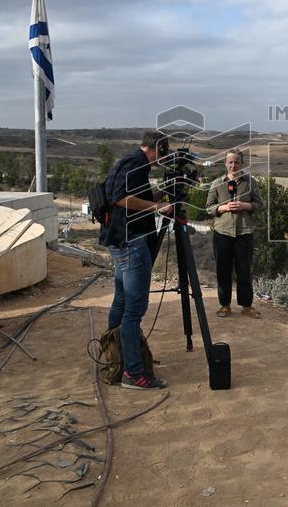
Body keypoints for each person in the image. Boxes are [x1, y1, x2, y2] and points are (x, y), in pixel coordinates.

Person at [99, 130, 172, 390]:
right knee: (134, 310)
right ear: (158, 148)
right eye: (165, 151)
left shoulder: (131, 162)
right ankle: (134, 373)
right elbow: (119, 198)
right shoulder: (136, 163)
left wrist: (162, 193)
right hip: (131, 243)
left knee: (121, 302)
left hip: (121, 241)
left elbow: (133, 200)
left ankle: (115, 360)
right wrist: (156, 208)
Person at [206, 149, 265, 318]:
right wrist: (224, 207)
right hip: (222, 233)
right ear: (225, 164)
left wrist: (246, 206)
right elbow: (209, 207)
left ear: (242, 163)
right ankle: (225, 305)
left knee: (244, 271)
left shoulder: (250, 182)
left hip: (244, 233)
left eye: (236, 162)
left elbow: (260, 204)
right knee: (223, 271)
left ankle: (246, 306)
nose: (233, 165)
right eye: (230, 162)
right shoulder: (217, 183)